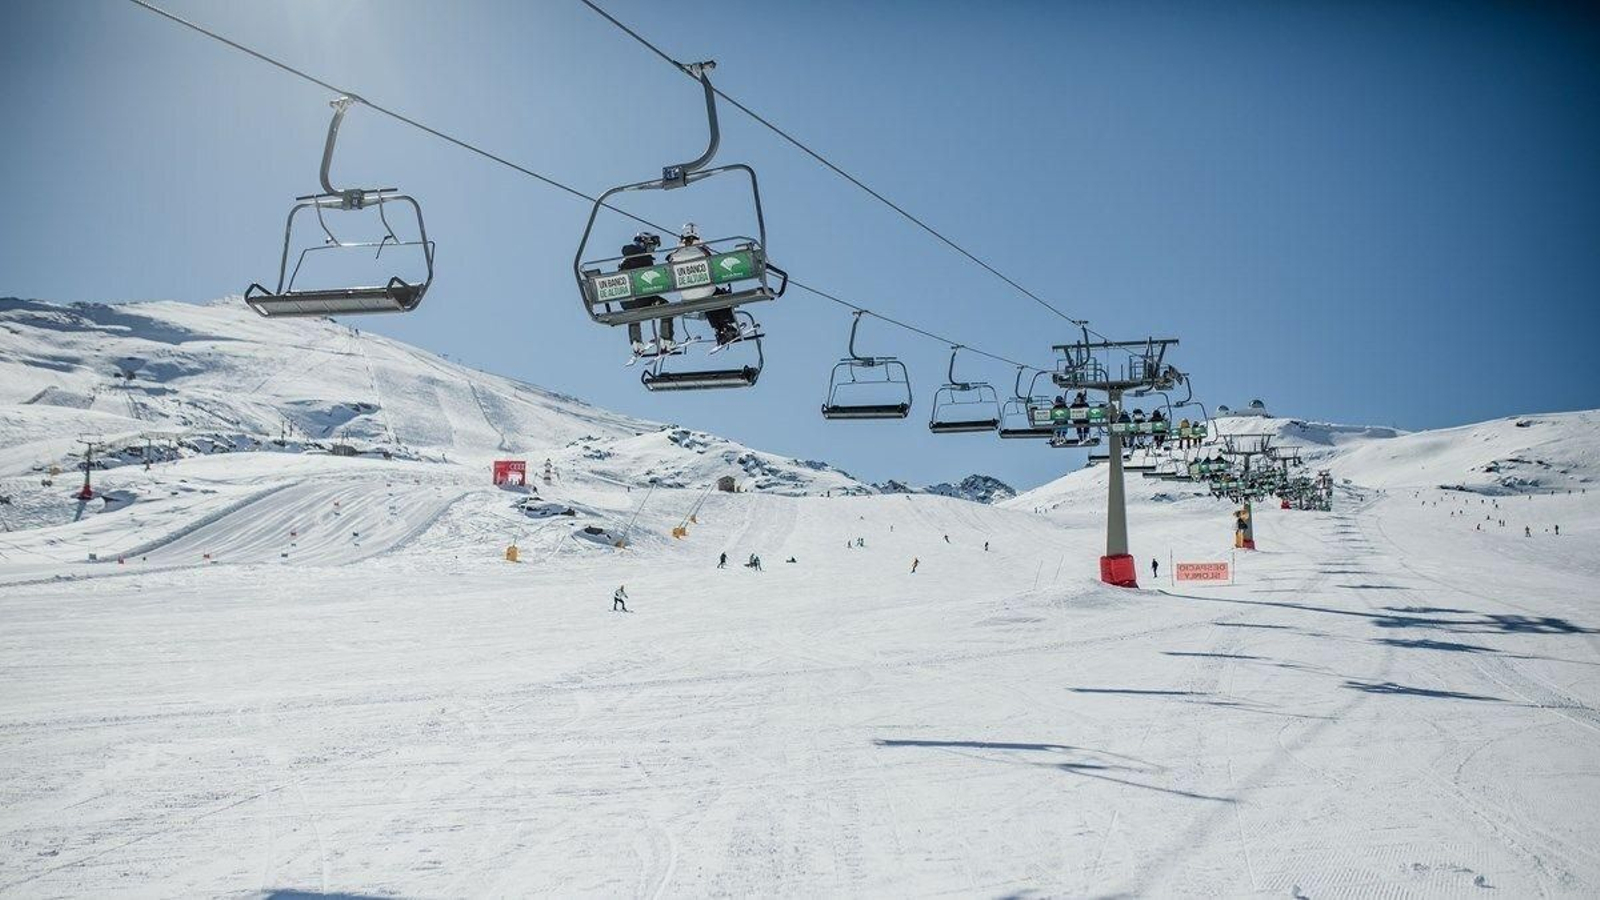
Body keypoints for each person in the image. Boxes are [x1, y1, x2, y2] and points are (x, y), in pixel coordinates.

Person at [668, 223, 741, 346]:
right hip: (705, 290)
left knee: (707, 301)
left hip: (686, 294)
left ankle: (720, 330)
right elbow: (713, 267)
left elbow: (670, 266)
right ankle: (725, 326)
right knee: (718, 295)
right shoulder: (702, 250)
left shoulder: (675, 254)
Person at [618, 232, 674, 356]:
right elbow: (650, 279)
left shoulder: (626, 260)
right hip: (641, 297)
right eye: (651, 247)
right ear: (644, 242)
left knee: (633, 313)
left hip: (626, 300)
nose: (652, 250)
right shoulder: (641, 256)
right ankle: (666, 339)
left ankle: (636, 343)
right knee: (666, 306)